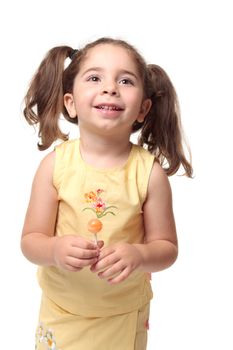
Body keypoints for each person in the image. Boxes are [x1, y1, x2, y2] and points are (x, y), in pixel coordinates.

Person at [21, 37, 193, 350]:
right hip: (62, 310)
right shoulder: (55, 166)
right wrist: (56, 250)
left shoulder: (148, 173)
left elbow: (166, 248)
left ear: (143, 109)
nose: (110, 87)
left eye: (125, 80)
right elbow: (31, 241)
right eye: (95, 78)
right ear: (70, 103)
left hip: (123, 314)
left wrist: (139, 254)